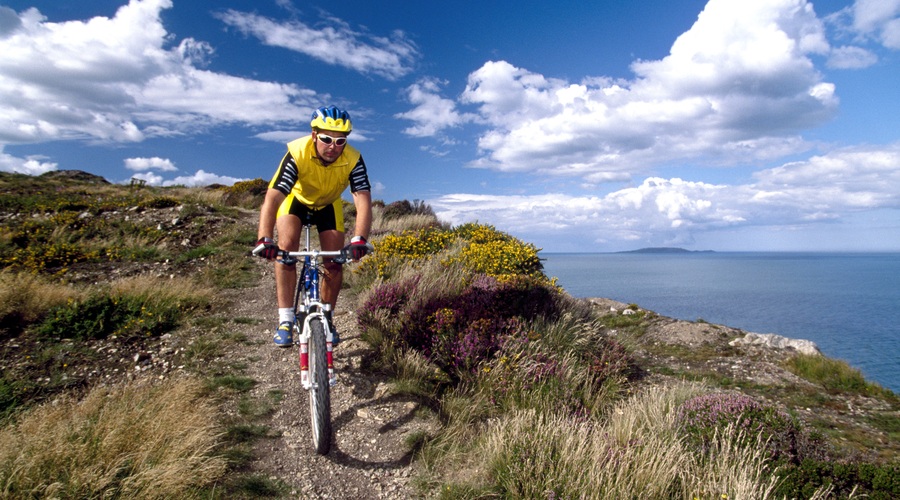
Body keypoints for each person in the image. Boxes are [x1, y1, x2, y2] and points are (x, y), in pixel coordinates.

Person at [255, 105, 372, 347]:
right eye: (327, 139)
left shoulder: (353, 159)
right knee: (286, 250)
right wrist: (264, 238)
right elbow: (273, 198)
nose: (333, 147)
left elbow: (362, 199)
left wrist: (360, 238)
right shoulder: (297, 153)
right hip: (296, 201)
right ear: (314, 135)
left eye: (341, 141)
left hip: (329, 205)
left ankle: (327, 316)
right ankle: (286, 319)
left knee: (335, 260)